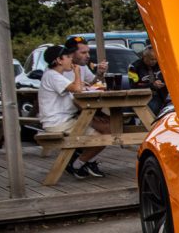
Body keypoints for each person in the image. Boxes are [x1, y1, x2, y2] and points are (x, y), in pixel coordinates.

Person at [37, 45, 110, 178]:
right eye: (68, 58)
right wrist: (77, 74)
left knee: (106, 128)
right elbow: (76, 89)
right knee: (103, 137)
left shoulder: (55, 75)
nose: (71, 61)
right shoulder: (52, 75)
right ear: (59, 60)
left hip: (65, 119)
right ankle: (77, 164)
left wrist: (81, 84)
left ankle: (82, 161)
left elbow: (75, 90)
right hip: (58, 123)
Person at [128, 46, 169, 115]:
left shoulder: (161, 64)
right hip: (143, 97)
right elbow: (134, 85)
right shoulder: (134, 67)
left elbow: (170, 79)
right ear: (144, 57)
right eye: (152, 59)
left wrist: (163, 83)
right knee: (154, 107)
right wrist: (152, 85)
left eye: (156, 59)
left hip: (162, 95)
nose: (154, 62)